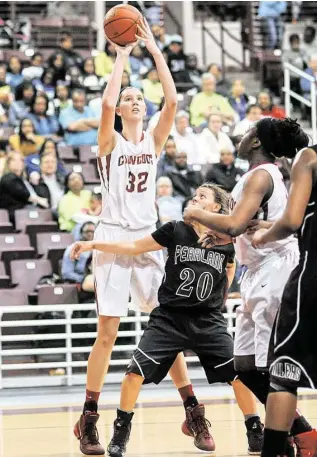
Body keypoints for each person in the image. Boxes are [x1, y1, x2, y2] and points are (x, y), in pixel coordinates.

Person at [73, 19, 202, 457]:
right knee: (107, 331)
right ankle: (89, 418)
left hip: (147, 240)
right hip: (112, 237)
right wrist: (122, 57)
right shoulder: (109, 143)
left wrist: (154, 49)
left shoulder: (154, 139)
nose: (134, 100)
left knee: (165, 326)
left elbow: (172, 97)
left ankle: (192, 409)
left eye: (137, 97)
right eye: (130, 97)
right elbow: (107, 103)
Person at [71, 184, 263, 457]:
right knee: (132, 374)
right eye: (194, 195)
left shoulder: (226, 240)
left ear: (217, 208)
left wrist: (219, 297)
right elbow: (134, 246)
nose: (194, 198)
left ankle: (255, 430)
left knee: (239, 375)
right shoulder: (175, 229)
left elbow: (230, 267)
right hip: (169, 319)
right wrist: (94, 243)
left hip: (208, 320)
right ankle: (120, 434)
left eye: (202, 196)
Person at [183, 117, 317, 456]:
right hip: (256, 271)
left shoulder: (261, 174)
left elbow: (237, 223)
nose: (241, 138)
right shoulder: (258, 175)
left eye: (248, 133)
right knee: (242, 366)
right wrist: (222, 233)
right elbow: (239, 227)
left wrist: (196, 215)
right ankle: (301, 432)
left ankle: (289, 441)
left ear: (256, 142)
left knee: (273, 369)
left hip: (276, 271)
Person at [252, 146, 317, 457]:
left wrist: (264, 236)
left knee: (283, 375)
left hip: (313, 279)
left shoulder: (310, 157)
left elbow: (292, 221)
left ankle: (276, 450)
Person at [0, 151, 48, 223]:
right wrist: (40, 200)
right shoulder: (8, 178)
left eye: (21, 160)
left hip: (26, 210)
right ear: (8, 163)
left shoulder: (24, 180)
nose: (18, 162)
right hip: (15, 213)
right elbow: (23, 194)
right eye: (14, 160)